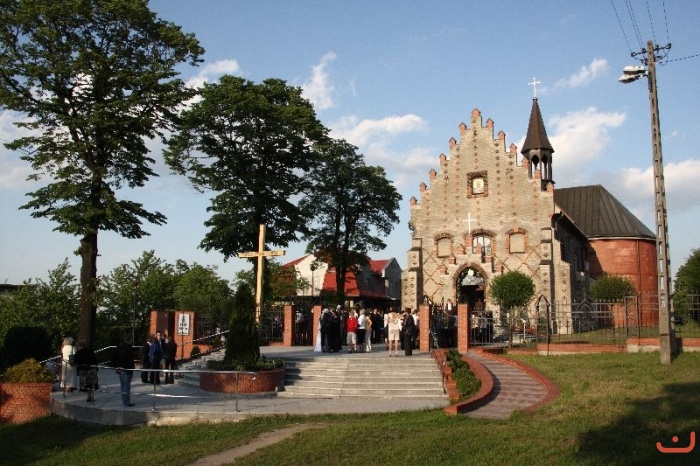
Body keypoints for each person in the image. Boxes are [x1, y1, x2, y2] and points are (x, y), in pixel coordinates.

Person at [110, 335, 135, 407]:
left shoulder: (119, 347)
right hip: (127, 369)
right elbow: (130, 359)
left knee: (123, 385)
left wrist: (116, 366)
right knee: (126, 385)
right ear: (130, 340)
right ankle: (126, 401)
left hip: (120, 369)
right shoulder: (130, 348)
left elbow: (113, 357)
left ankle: (124, 400)